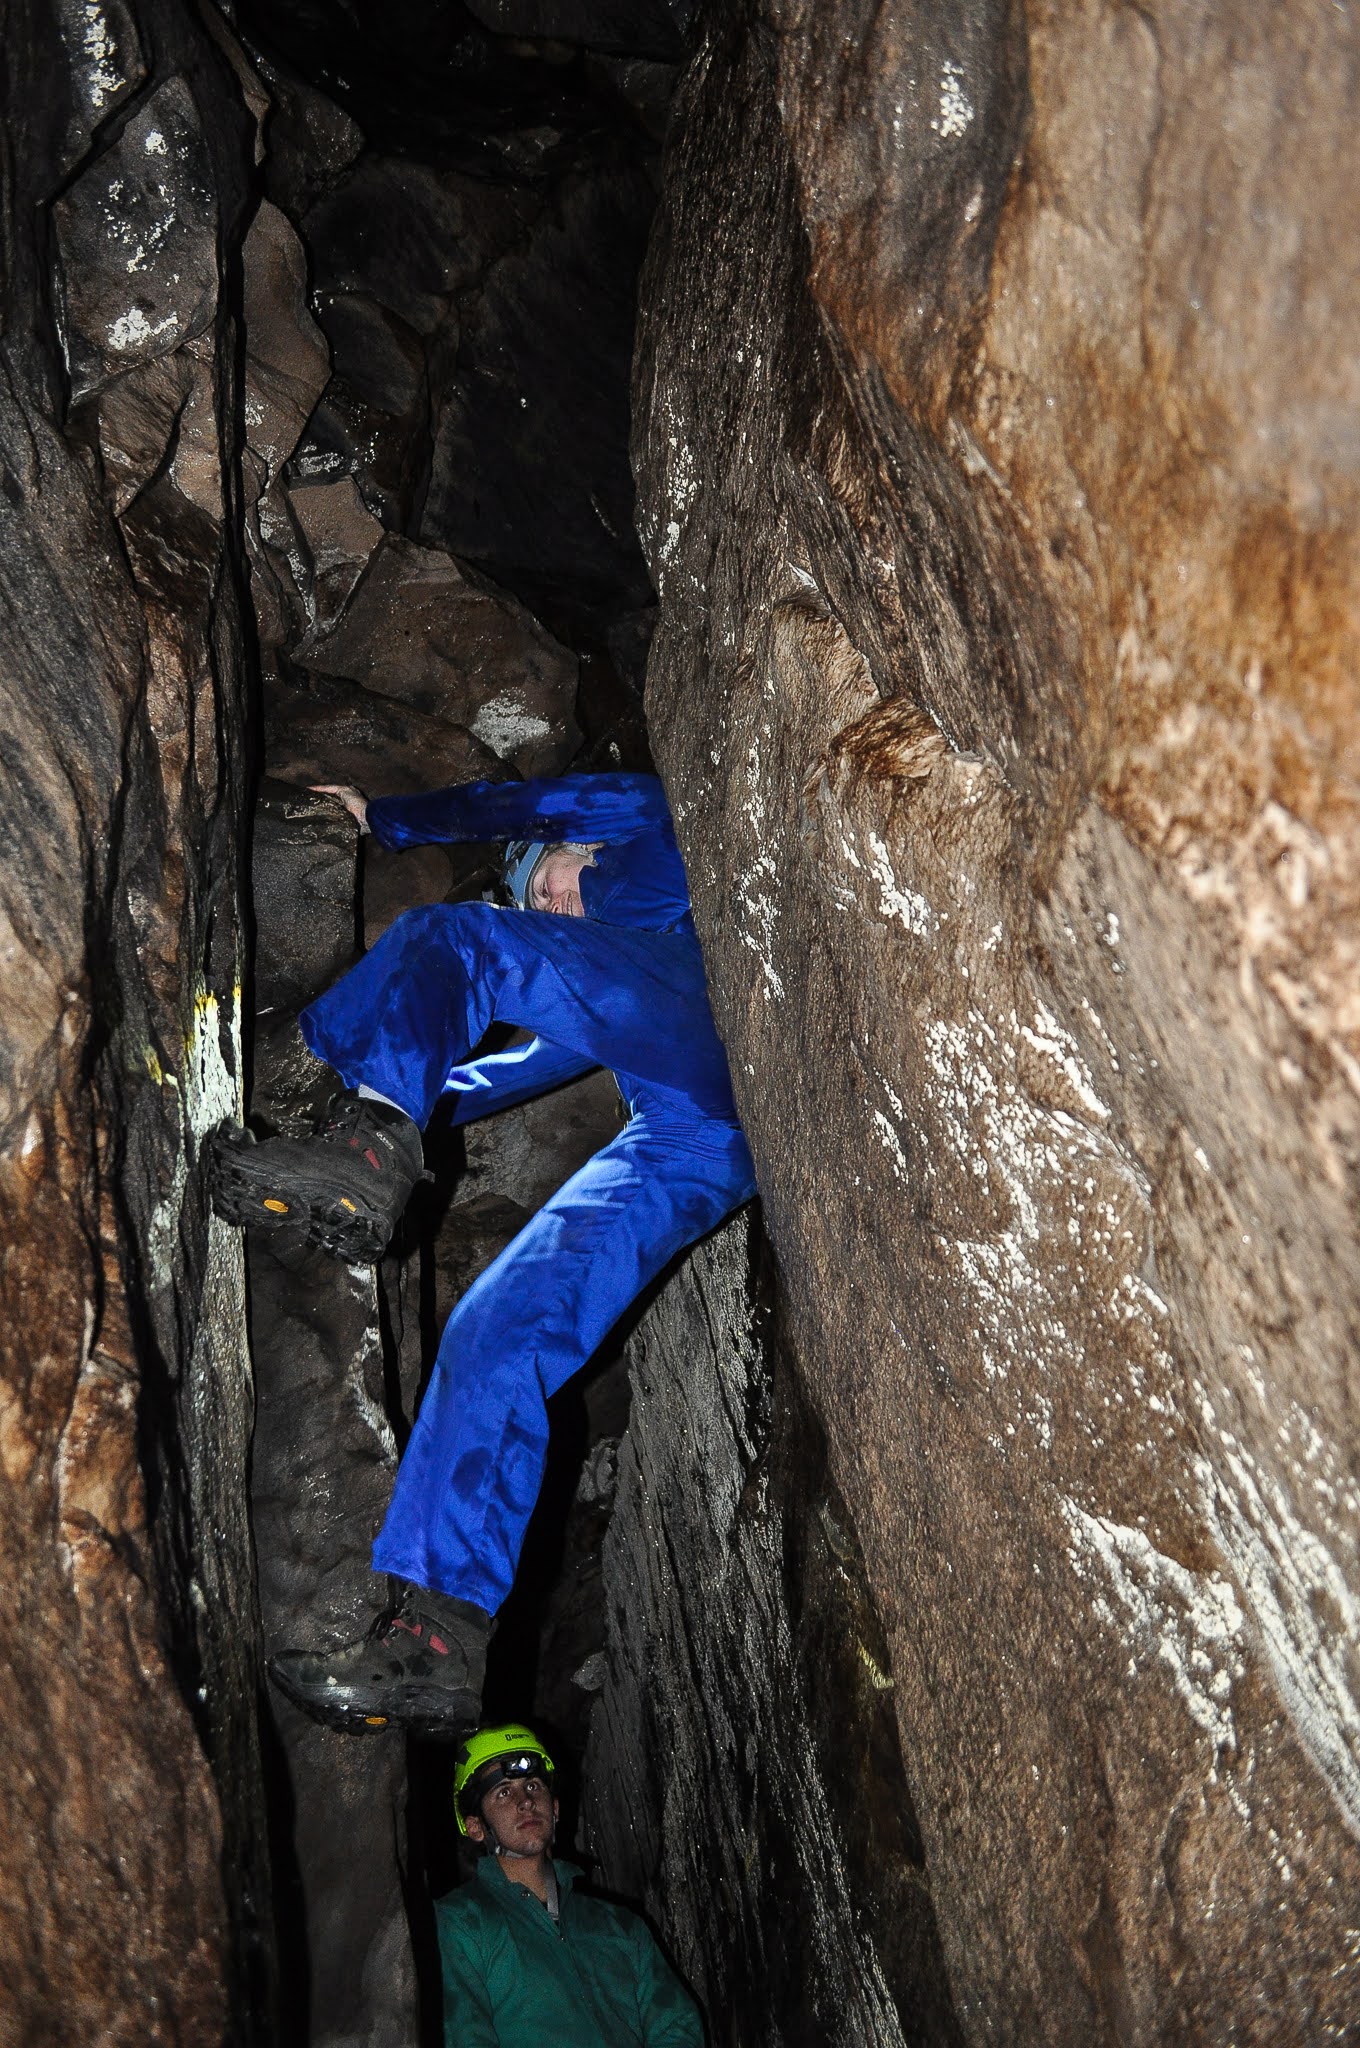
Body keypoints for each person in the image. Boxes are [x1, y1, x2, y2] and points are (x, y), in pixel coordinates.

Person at [211, 772, 755, 1734]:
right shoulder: (608, 960)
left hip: (718, 1009)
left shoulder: (648, 826)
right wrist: (390, 1103)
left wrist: (388, 814)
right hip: (692, 1137)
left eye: (544, 874)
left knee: (447, 937)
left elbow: (519, 805)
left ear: (570, 839)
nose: (548, 897)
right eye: (537, 895)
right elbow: (494, 1073)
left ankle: (360, 1128)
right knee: (497, 1331)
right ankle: (441, 1634)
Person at [439, 1722, 703, 2047]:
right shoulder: (457, 1923)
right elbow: (464, 2035)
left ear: (556, 1808)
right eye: (504, 1792)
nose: (525, 1802)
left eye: (534, 1786)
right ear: (476, 1826)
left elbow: (677, 2026)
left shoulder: (620, 1926)